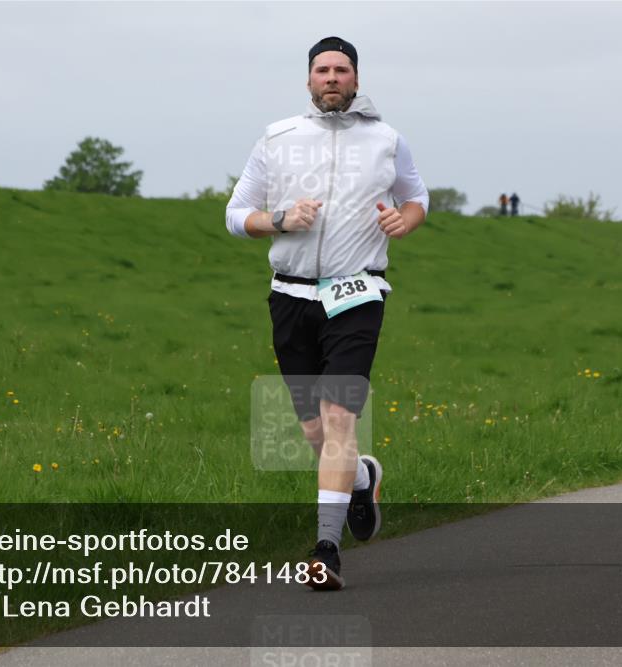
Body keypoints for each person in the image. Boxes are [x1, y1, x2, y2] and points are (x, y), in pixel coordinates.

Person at [225, 36, 429, 591]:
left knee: (340, 418)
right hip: (290, 296)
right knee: (315, 431)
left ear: (357, 79)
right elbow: (236, 214)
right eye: (323, 70)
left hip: (357, 292)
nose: (332, 78)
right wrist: (280, 220)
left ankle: (326, 550)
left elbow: (417, 198)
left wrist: (405, 222)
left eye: (342, 69)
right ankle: (361, 478)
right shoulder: (278, 139)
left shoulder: (387, 140)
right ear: (309, 80)